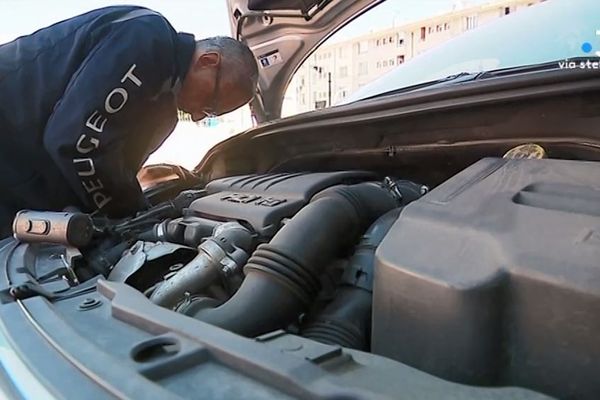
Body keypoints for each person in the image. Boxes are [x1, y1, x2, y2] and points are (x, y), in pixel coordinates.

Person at [0, 6, 258, 238]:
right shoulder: (148, 39)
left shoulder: (163, 110)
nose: (200, 116)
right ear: (208, 61)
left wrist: (134, 210)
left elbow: (112, 169)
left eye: (211, 114)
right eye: (210, 105)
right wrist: (129, 211)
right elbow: (76, 142)